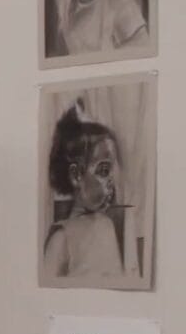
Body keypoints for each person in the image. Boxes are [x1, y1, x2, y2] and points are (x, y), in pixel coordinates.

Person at [43, 105, 127, 279]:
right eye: (104, 171)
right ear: (76, 175)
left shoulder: (107, 226)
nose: (112, 181)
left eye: (113, 171)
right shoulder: (62, 239)